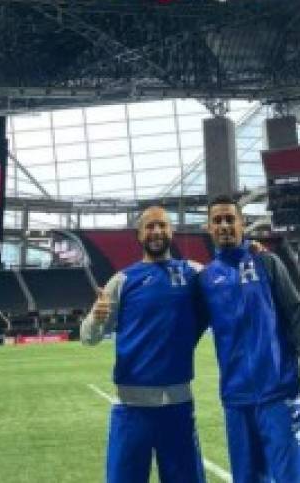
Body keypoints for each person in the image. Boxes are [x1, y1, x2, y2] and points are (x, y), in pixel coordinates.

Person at [199, 193, 300, 483]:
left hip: (280, 394)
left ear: (242, 224)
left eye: (229, 219)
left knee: (294, 479)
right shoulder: (205, 280)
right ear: (208, 228)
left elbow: (297, 317)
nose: (223, 226)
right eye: (217, 220)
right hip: (236, 401)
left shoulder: (266, 263)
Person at [80, 206, 206, 483]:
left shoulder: (194, 273)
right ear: (138, 235)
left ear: (171, 231)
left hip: (178, 406)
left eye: (162, 225)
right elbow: (88, 337)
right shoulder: (122, 281)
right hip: (131, 409)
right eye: (150, 226)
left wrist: (252, 253)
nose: (157, 231)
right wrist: (96, 319)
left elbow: (228, 278)